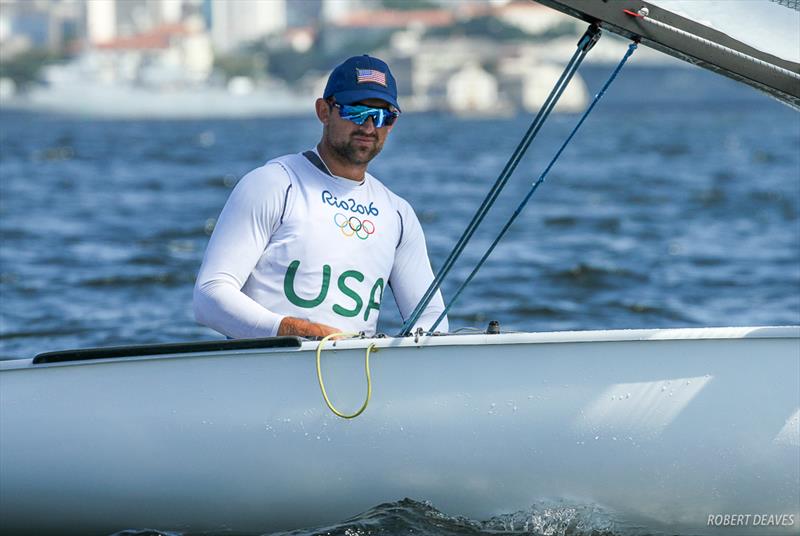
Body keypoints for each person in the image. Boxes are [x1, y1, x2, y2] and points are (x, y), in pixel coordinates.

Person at [193, 55, 448, 339]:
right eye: (356, 112)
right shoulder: (273, 184)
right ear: (323, 111)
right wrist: (298, 331)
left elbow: (431, 316)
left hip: (355, 375)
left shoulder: (398, 214)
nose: (368, 127)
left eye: (382, 116)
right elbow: (209, 297)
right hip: (266, 368)